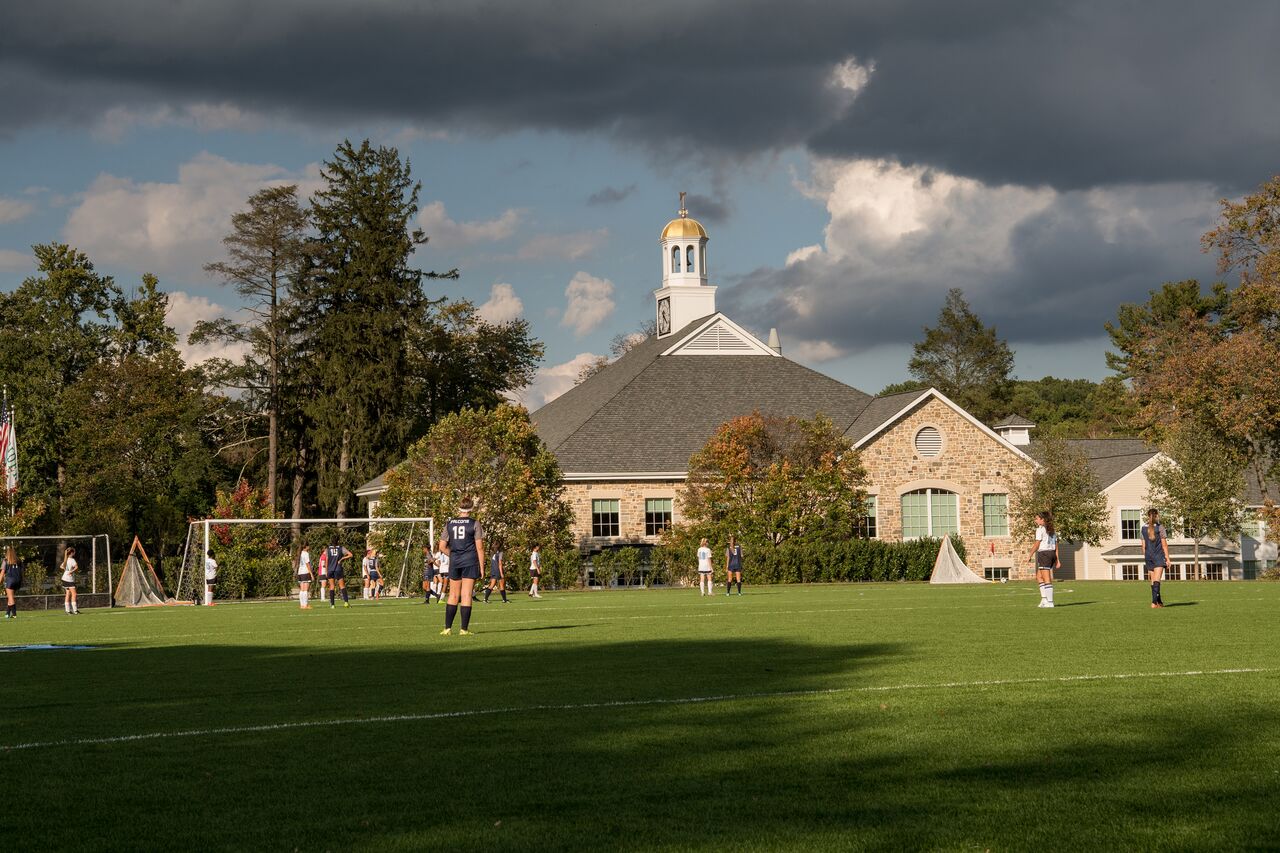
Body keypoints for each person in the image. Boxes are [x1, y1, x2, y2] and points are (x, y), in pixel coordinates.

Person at [441, 497, 484, 636]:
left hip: (455, 562)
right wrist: (482, 567)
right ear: (471, 508)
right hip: (470, 561)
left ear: (459, 508)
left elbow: (442, 547)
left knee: (453, 594)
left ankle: (447, 628)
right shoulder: (475, 523)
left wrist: (453, 555)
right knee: (466, 595)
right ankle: (463, 629)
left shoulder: (449, 523)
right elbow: (480, 548)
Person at [1144, 508, 1171, 608]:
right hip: (1158, 556)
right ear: (1157, 515)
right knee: (1157, 580)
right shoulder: (1160, 528)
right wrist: (1168, 558)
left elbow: (1143, 546)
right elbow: (1164, 545)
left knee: (1153, 580)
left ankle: (1159, 602)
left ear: (1148, 516)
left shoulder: (1143, 528)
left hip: (1148, 556)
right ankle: (1154, 602)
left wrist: (1146, 557)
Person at [1031, 512, 1059, 608]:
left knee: (1047, 578)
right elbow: (1056, 546)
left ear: (1042, 519)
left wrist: (1030, 554)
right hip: (1051, 554)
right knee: (1039, 576)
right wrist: (1057, 560)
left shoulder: (1040, 529)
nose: (1035, 520)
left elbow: (1037, 544)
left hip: (1044, 554)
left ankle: (1050, 602)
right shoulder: (1052, 530)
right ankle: (1044, 599)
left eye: (1037, 518)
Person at [325, 538, 353, 608]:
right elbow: (350, 555)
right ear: (338, 542)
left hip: (330, 570)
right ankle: (346, 602)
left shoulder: (327, 549)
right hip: (338, 569)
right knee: (342, 586)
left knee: (332, 586)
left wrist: (326, 570)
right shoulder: (341, 548)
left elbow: (326, 560)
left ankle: (332, 605)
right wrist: (342, 559)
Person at [3, 546, 22, 619]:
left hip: (10, 580)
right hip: (18, 580)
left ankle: (14, 614)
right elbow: (21, 571)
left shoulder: (6, 560)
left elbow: (2, 573)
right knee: (10, 596)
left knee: (10, 597)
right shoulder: (18, 560)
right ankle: (7, 613)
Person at [61, 546, 81, 615]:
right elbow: (76, 567)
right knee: (74, 594)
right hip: (69, 579)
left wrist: (66, 570)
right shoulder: (72, 560)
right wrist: (71, 571)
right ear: (72, 553)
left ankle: (68, 610)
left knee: (68, 594)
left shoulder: (66, 559)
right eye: (74, 552)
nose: (75, 553)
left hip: (64, 578)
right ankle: (75, 610)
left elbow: (61, 566)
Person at [297, 545, 314, 609]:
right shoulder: (306, 553)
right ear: (306, 546)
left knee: (302, 590)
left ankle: (302, 605)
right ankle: (306, 605)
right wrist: (311, 574)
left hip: (300, 572)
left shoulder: (299, 552)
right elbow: (307, 564)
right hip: (306, 572)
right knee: (306, 589)